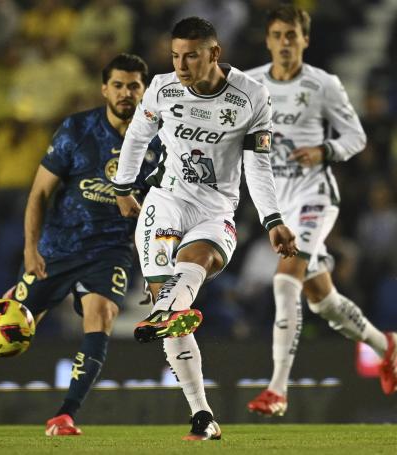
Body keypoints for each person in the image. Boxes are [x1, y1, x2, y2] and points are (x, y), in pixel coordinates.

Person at [113, 17, 298, 441]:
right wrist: (123, 187)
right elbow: (137, 136)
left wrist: (273, 219)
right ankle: (202, 415)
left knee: (193, 266)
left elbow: (258, 164)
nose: (181, 64)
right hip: (165, 203)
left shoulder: (251, 97)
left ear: (214, 53)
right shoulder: (161, 88)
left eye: (191, 55)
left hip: (216, 211)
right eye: (176, 55)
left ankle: (163, 312)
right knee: (178, 308)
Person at [244, 5, 397, 417]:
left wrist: (325, 149)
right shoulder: (251, 84)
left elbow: (356, 137)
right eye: (277, 35)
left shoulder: (323, 84)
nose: (285, 43)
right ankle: (387, 346)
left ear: (305, 40)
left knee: (285, 279)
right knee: (321, 301)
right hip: (279, 204)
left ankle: (277, 389)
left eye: (292, 35)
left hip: (316, 196)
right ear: (268, 39)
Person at [3, 54, 161, 436]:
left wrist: (157, 270)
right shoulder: (77, 130)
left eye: (134, 86)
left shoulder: (159, 141)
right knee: (8, 335)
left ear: (146, 90)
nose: (126, 93)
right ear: (104, 88)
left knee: (102, 314)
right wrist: (30, 249)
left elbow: (163, 212)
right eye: (119, 85)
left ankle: (66, 413)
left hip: (110, 251)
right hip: (59, 246)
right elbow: (39, 192)